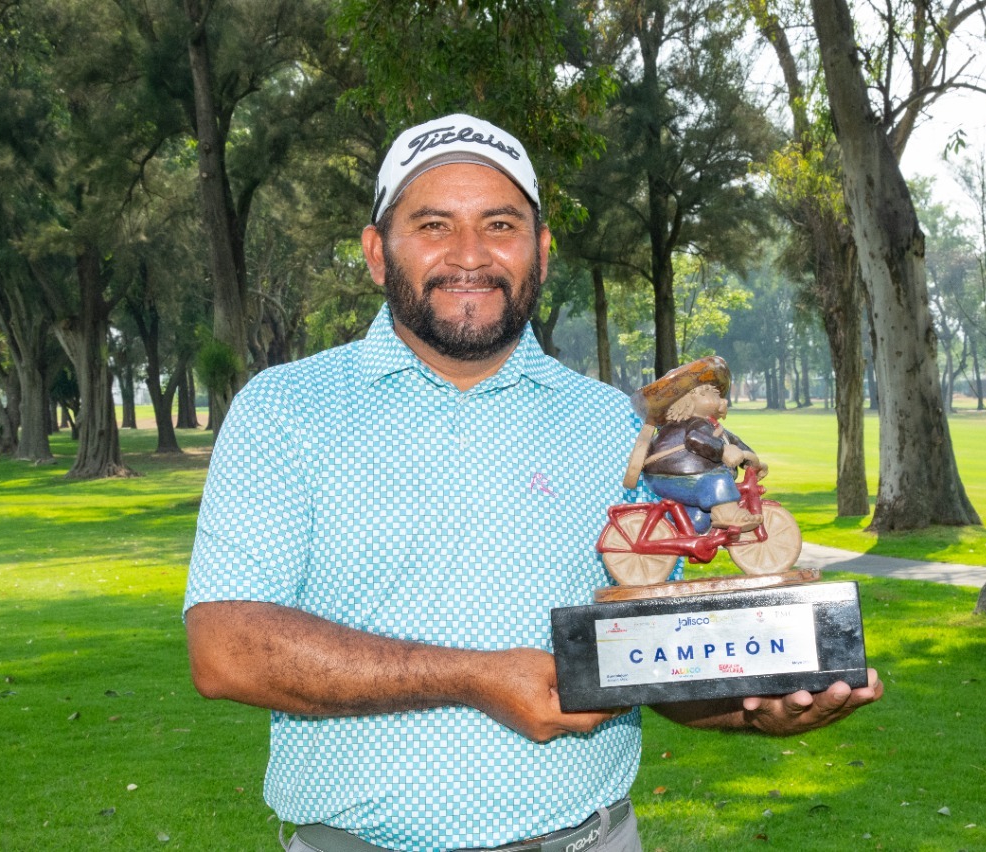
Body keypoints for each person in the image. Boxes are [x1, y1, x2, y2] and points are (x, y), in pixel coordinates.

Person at [183, 113, 883, 852]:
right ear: (376, 253)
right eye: (431, 226)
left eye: (500, 224)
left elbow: (647, 649)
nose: (470, 256)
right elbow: (226, 647)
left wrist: (748, 706)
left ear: (542, 252)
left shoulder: (613, 426)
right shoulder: (286, 408)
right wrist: (474, 678)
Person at [634, 356, 767, 534]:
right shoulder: (694, 424)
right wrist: (722, 451)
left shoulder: (711, 425)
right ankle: (728, 515)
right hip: (672, 475)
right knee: (717, 479)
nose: (722, 400)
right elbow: (696, 440)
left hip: (675, 478)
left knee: (700, 521)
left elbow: (734, 441)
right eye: (714, 394)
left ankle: (674, 529)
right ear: (690, 398)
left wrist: (752, 461)